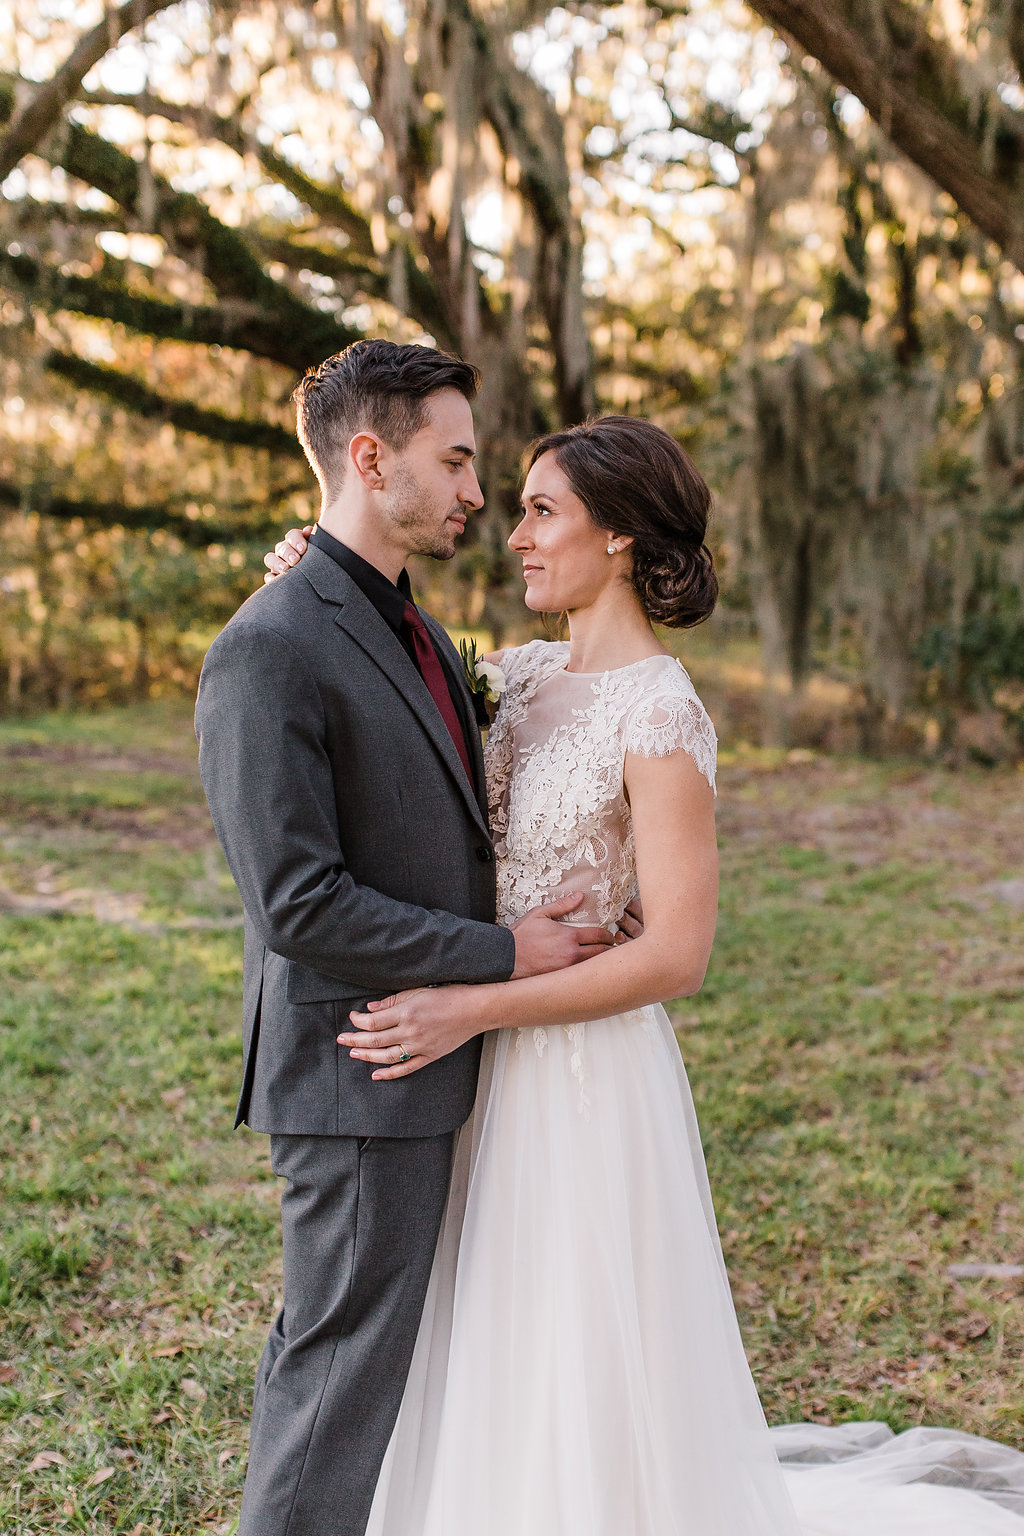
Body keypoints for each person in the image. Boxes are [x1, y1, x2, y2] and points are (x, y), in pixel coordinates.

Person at [265, 412, 1024, 1535]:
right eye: (512, 503)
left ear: (616, 536)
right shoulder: (511, 679)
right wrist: (306, 573)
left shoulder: (662, 712)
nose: (513, 532)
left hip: (577, 1073)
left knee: (571, 1334)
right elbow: (379, 669)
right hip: (467, 1067)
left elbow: (677, 953)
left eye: (540, 510)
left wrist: (475, 1003)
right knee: (475, 1328)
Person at [195, 340, 634, 1536]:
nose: (476, 495)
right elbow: (297, 903)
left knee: (384, 1361)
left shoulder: (419, 635)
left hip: (430, 1066)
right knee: (337, 1371)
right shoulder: (265, 648)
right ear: (370, 457)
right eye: (454, 463)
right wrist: (504, 957)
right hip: (359, 1067)